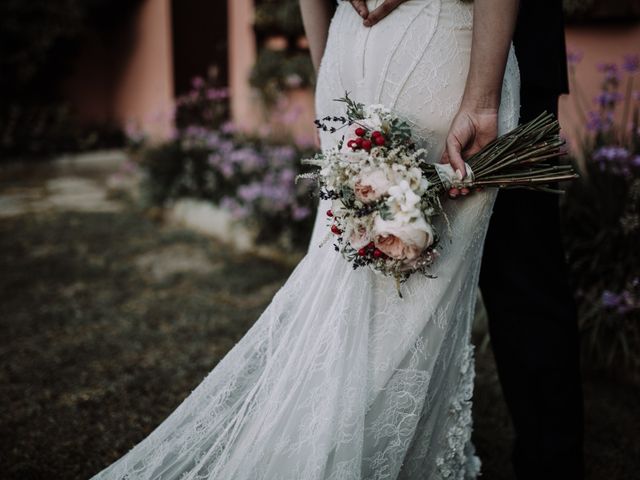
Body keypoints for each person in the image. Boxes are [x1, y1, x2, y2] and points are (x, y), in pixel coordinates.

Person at [90, 0, 521, 478]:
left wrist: (330, 75)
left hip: (347, 46)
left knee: (356, 303)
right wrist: (482, 99)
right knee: (408, 312)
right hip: (436, 50)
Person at [346, 1, 585, 479]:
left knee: (524, 278)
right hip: (400, 51)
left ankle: (549, 459)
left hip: (507, 52)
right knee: (400, 264)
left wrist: (482, 99)